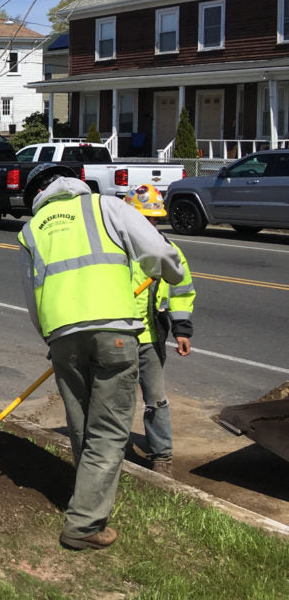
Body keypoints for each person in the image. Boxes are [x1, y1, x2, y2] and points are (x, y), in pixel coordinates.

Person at [18, 163, 185, 551]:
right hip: (114, 331)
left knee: (81, 422)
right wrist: (172, 275)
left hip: (61, 336)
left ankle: (86, 496)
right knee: (109, 429)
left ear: (36, 197)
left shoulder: (30, 231)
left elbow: (32, 300)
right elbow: (160, 250)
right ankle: (84, 523)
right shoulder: (105, 206)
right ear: (74, 182)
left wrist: (52, 337)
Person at [123, 184, 196, 477]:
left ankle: (161, 456)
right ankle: (115, 449)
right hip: (119, 337)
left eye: (155, 219)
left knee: (156, 399)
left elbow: (181, 290)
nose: (150, 225)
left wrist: (182, 329)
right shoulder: (116, 251)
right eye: (144, 219)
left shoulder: (168, 251)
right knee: (118, 399)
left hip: (151, 339)